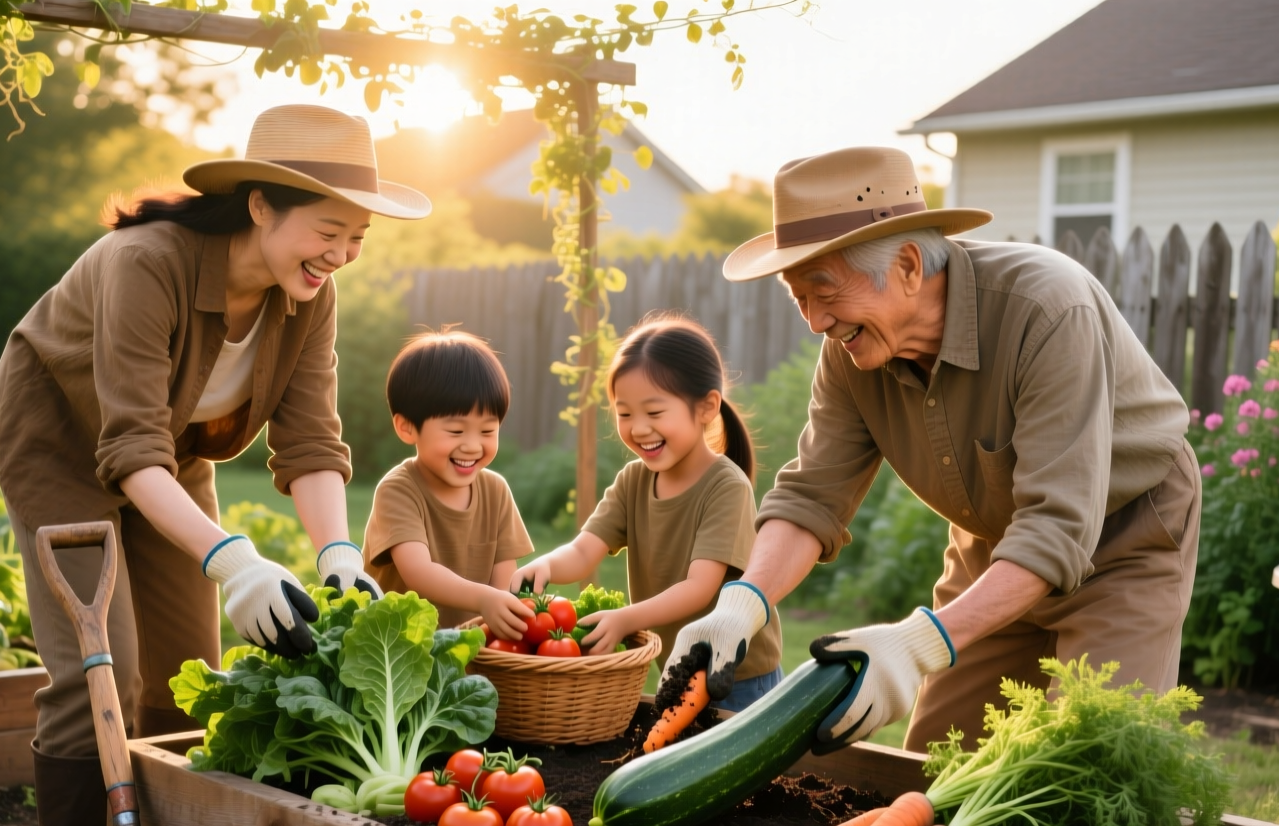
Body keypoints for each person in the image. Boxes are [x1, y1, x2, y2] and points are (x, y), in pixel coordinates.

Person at [0, 104, 430, 826]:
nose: (343, 254)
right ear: (261, 205)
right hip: (59, 444)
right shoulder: (146, 260)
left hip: (170, 452)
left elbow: (312, 440)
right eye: (329, 230)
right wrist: (234, 559)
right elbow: (127, 445)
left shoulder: (308, 296)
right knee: (95, 672)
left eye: (358, 237)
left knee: (189, 669)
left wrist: (339, 554)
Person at [662, 146, 1199, 747]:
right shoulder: (851, 353)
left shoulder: (1047, 309)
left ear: (910, 266)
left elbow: (1056, 526)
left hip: (1124, 539)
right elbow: (813, 496)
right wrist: (742, 602)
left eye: (824, 291)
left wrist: (919, 643)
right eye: (799, 298)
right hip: (994, 547)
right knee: (932, 763)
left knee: (1090, 768)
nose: (814, 321)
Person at [511, 315, 782, 711]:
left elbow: (699, 588)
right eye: (624, 414)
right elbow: (585, 550)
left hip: (738, 677)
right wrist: (548, 566)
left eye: (654, 413)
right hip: (679, 668)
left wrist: (625, 619)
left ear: (706, 407)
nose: (638, 428)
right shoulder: (633, 481)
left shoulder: (727, 486)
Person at [364, 330, 536, 632]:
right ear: (407, 428)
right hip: (402, 650)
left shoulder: (496, 492)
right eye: (456, 431)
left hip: (472, 653)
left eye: (487, 431)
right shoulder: (399, 490)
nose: (472, 445)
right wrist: (485, 599)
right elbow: (419, 572)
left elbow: (504, 581)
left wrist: (503, 614)